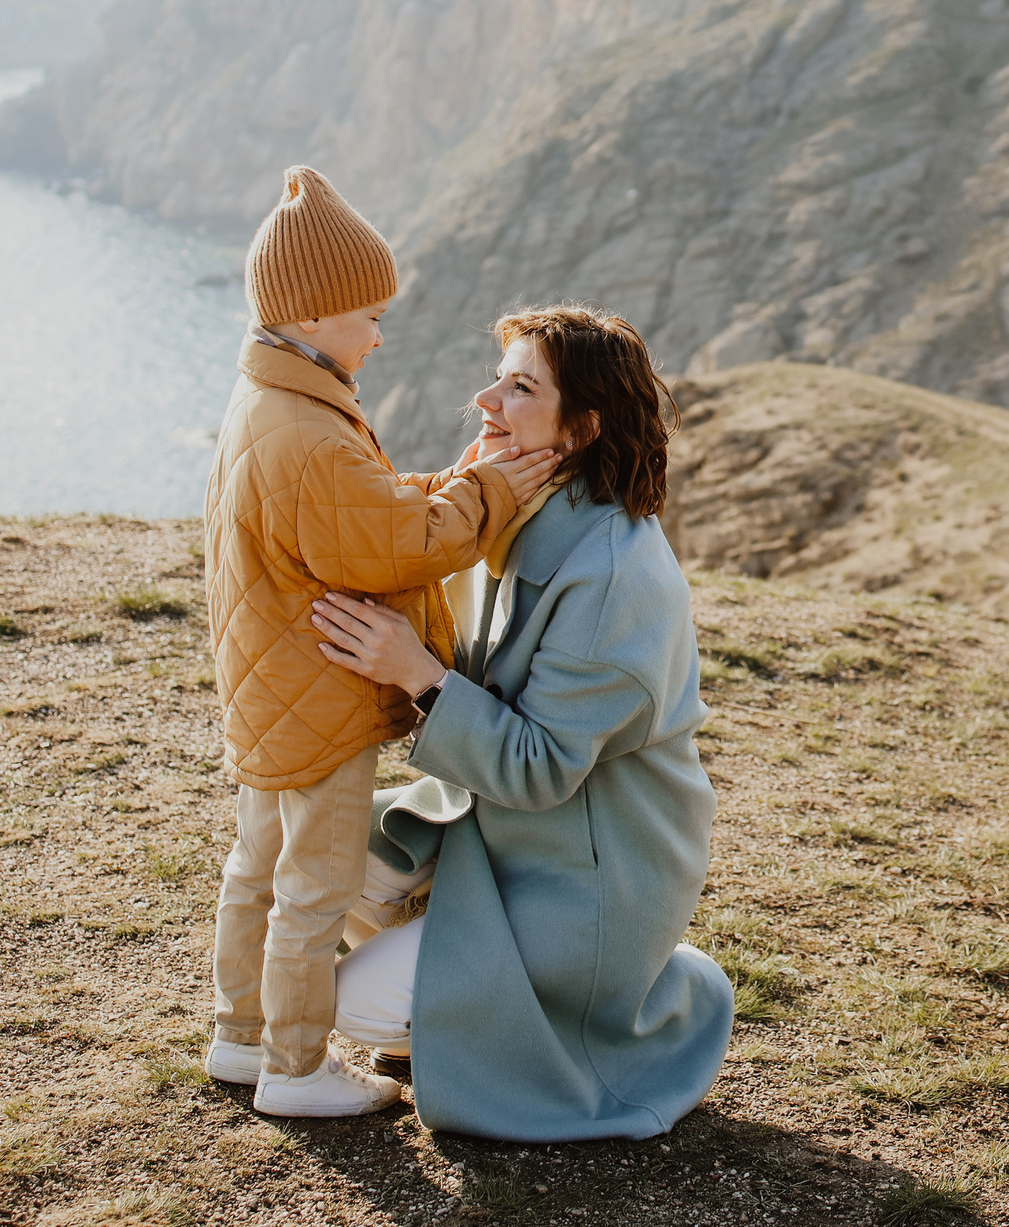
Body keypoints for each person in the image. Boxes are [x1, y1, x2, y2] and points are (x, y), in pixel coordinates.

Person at [306, 303, 734, 1141]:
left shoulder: (613, 578)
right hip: (503, 832)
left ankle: (643, 1009)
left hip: (588, 879)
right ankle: (447, 956)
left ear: (582, 429)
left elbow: (540, 766)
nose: (486, 399)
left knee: (349, 1005)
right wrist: (455, 507)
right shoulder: (522, 516)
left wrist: (418, 673)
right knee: (315, 853)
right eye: (497, 379)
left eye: (521, 388)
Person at [200, 169, 560, 1118]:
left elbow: (357, 512)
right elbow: (391, 543)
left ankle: (241, 1037)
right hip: (319, 691)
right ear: (315, 314)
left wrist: (454, 479)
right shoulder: (311, 431)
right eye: (369, 313)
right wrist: (490, 493)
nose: (378, 332)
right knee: (314, 887)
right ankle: (297, 1068)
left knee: (257, 867)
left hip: (271, 683)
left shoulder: (271, 401)